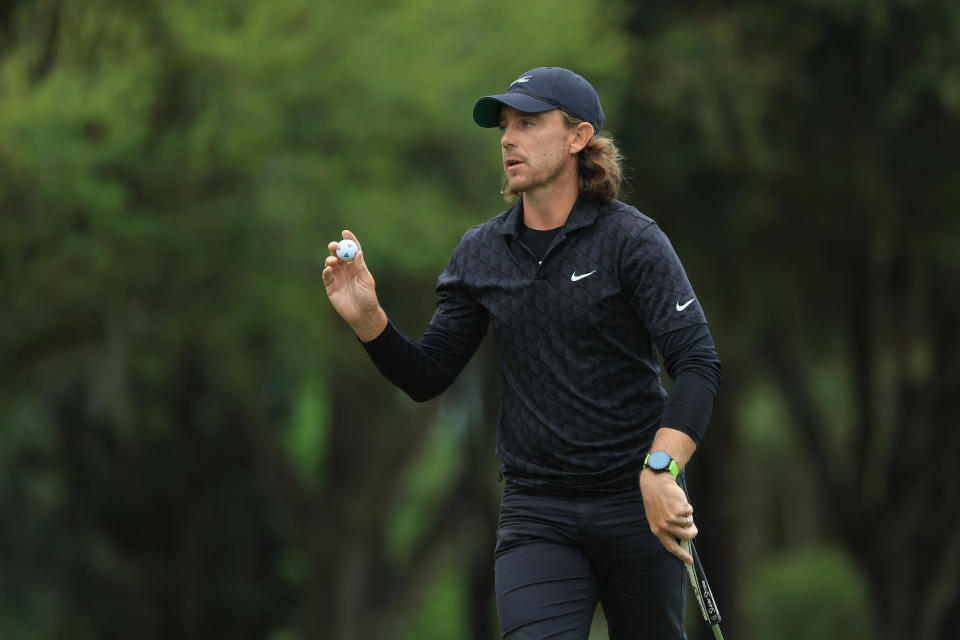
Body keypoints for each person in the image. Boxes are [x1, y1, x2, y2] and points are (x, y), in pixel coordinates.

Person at [322, 67, 721, 640]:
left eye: (528, 124)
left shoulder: (631, 240)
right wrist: (368, 320)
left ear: (578, 137)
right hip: (538, 513)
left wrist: (662, 469)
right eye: (504, 127)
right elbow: (428, 375)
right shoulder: (482, 251)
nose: (508, 138)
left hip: (637, 501)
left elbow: (698, 364)